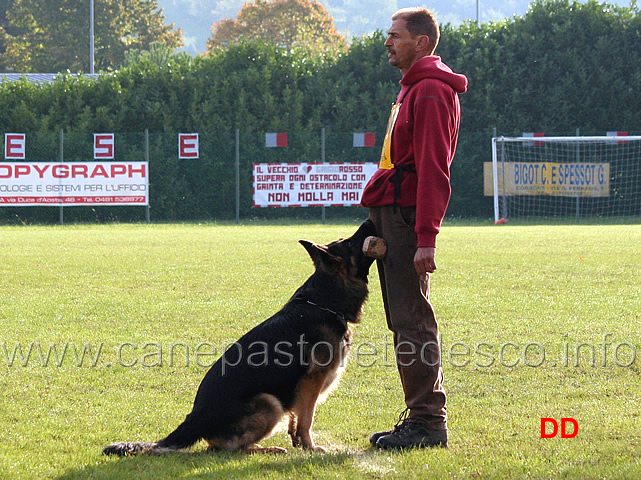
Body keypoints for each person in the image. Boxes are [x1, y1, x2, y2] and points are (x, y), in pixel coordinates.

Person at [360, 7, 468, 449]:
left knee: (412, 320)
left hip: (407, 217)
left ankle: (428, 422)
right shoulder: (412, 89)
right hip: (393, 210)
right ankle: (422, 418)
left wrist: (427, 238)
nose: (387, 41)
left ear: (421, 42)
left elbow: (433, 170)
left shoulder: (429, 92)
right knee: (403, 320)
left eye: (395, 35)